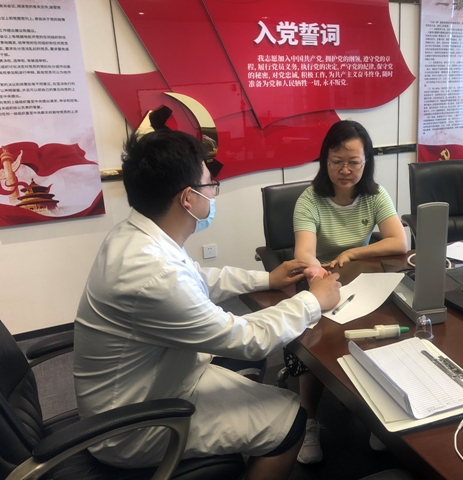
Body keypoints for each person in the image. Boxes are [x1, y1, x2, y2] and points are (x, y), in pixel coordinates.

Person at [72, 129, 341, 480]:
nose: (213, 192)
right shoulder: (152, 273)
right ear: (188, 198)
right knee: (290, 421)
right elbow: (248, 339)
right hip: (132, 427)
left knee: (250, 371)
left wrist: (266, 279)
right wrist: (313, 300)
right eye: (210, 184)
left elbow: (196, 278)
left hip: (151, 384)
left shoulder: (137, 236)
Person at [288, 120, 408, 463]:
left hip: (363, 281)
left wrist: (353, 252)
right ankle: (309, 421)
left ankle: (376, 416)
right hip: (319, 280)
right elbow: (305, 254)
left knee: (383, 331)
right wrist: (319, 274)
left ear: (366, 161)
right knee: (313, 341)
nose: (345, 170)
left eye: (353, 162)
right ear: (324, 161)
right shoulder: (309, 200)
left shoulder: (374, 195)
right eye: (336, 161)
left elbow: (399, 242)